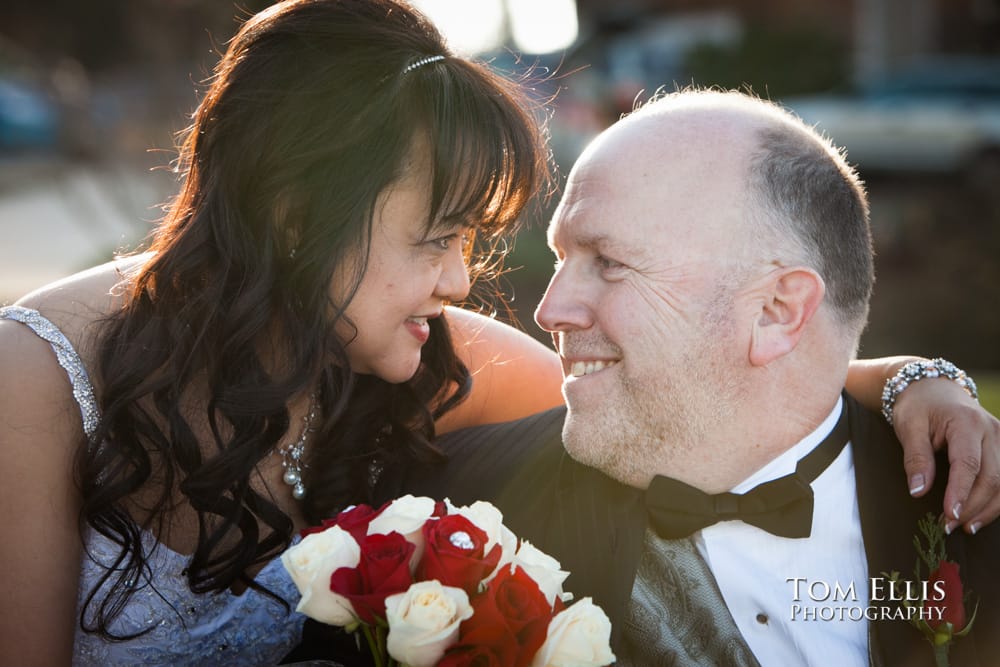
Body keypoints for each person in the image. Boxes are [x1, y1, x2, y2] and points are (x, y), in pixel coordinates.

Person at [0, 0, 992, 662]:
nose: (457, 281)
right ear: (296, 217)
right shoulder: (37, 381)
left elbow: (729, 376)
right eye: (433, 239)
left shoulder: (422, 351)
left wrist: (920, 383)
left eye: (467, 241)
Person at [417, 89, 1000, 665]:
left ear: (777, 310)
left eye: (610, 263)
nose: (550, 310)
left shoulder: (972, 508)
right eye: (562, 258)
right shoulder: (456, 517)